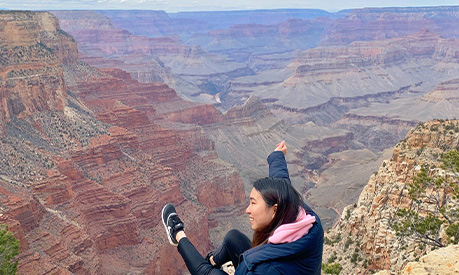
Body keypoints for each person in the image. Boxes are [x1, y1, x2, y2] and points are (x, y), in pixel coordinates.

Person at [162, 141, 323, 274]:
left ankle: (176, 233)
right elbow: (281, 183)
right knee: (233, 238)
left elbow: (203, 272)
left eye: (253, 203)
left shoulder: (262, 270)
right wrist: (277, 157)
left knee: (205, 271)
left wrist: (180, 236)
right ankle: (211, 260)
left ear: (274, 210)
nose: (247, 210)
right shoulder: (304, 218)